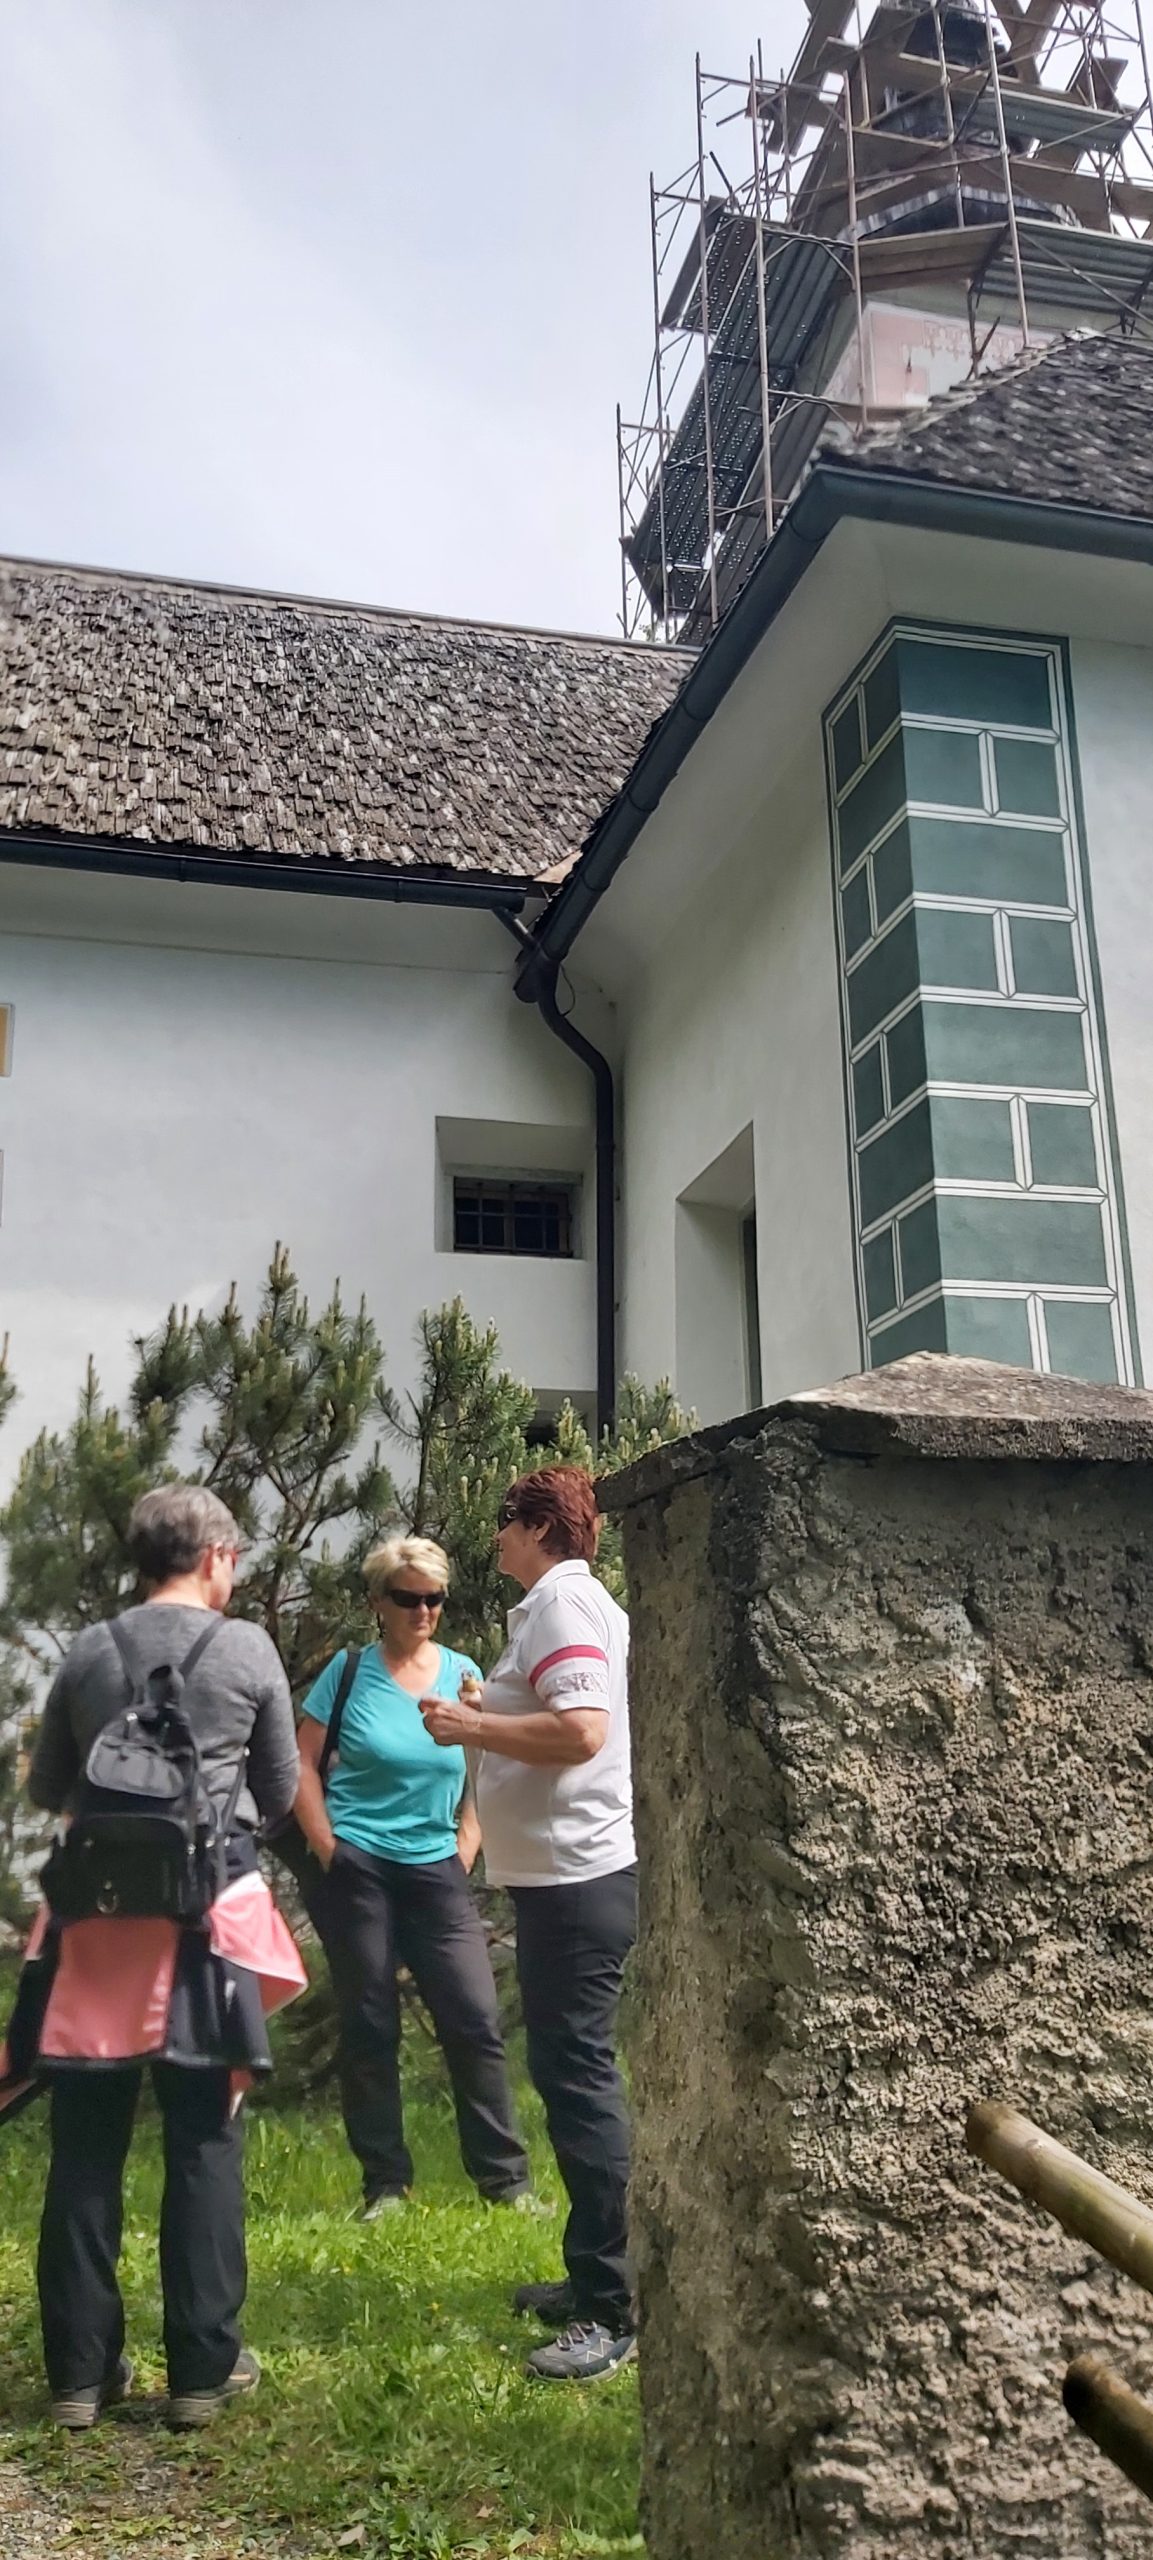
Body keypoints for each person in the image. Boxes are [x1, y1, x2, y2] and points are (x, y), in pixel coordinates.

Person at [9, 1484, 304, 2432]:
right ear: (214, 1556)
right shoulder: (246, 1650)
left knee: (84, 2146)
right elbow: (280, 1790)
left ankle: (78, 2378)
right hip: (204, 1926)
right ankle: (200, 2376)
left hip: (95, 1929)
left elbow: (49, 1789)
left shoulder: (91, 1650)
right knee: (203, 2138)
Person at [421, 1466, 637, 2383]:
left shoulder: (561, 1606)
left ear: (543, 1528)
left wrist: (469, 1730)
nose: (497, 1535)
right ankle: (593, 2271)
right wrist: (491, 1710)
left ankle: (611, 2308)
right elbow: (559, 1715)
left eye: (507, 1520)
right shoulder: (566, 1607)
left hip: (575, 1881)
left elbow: (581, 1732)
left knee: (578, 2083)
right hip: (568, 1876)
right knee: (569, 2075)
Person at [294, 1534, 531, 2217]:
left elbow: (487, 1761)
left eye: (434, 1599)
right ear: (379, 1602)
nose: (422, 1611)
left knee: (473, 2018)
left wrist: (467, 1842)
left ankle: (506, 2183)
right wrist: (326, 1844)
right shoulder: (346, 1673)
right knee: (369, 2022)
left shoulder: (463, 1673)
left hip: (435, 1865)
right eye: (407, 1598)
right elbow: (300, 1764)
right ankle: (385, 2185)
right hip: (359, 1863)